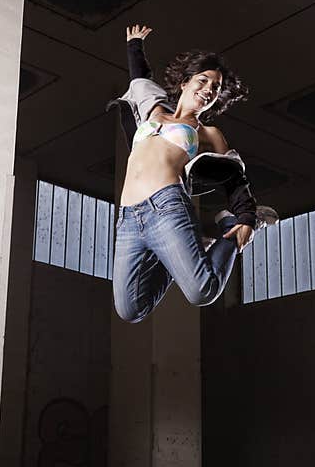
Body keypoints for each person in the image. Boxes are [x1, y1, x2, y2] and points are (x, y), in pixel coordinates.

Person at [108, 24, 277, 323]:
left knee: (203, 291)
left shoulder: (207, 132)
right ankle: (187, 251)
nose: (209, 89)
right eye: (204, 80)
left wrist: (246, 218)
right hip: (128, 218)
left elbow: (235, 176)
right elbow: (140, 81)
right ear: (185, 82)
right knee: (130, 309)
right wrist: (134, 44)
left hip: (167, 210)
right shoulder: (154, 109)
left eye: (215, 87)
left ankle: (226, 227)